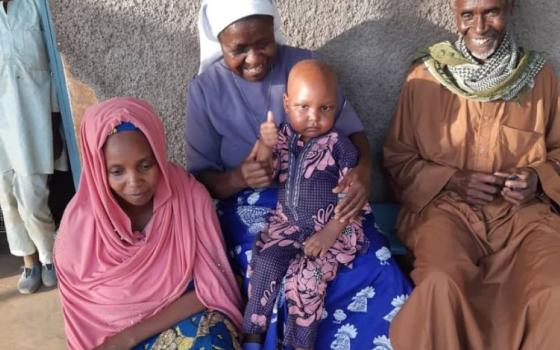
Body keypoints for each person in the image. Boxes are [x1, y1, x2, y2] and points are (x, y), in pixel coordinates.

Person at [187, 1, 412, 349]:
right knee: (277, 275)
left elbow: (355, 136)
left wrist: (363, 176)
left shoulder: (305, 64)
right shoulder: (204, 90)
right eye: (238, 49)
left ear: (274, 30)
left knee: (373, 262)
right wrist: (238, 179)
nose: (254, 58)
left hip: (329, 199)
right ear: (220, 43)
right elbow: (198, 178)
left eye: (263, 42)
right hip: (253, 207)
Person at [383, 0, 560, 349]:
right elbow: (396, 160)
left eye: (491, 12)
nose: (479, 27)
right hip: (448, 211)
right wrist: (452, 179)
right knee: (441, 283)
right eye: (468, 15)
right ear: (456, 15)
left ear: (509, 10)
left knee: (554, 289)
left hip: (522, 218)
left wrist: (537, 178)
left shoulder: (538, 78)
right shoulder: (425, 76)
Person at [54, 97, 243, 350]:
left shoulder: (188, 198)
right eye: (117, 171)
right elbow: (83, 320)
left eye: (146, 165)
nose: (134, 182)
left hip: (184, 319)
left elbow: (211, 287)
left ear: (159, 153)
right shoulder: (79, 229)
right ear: (98, 170)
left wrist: (129, 337)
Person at [243, 60, 373, 350]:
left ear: (336, 107)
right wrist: (265, 144)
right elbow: (265, 172)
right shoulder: (283, 137)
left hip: (330, 229)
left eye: (325, 108)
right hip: (287, 224)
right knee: (265, 262)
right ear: (287, 104)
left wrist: (330, 233)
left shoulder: (339, 144)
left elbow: (350, 194)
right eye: (303, 107)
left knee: (307, 279)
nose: (314, 117)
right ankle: (252, 333)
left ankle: (298, 345)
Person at [0, 0, 66, 294]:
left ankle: (48, 255)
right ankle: (29, 260)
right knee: (6, 196)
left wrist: (53, 118)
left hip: (31, 116)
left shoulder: (33, 5)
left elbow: (53, 63)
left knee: (33, 193)